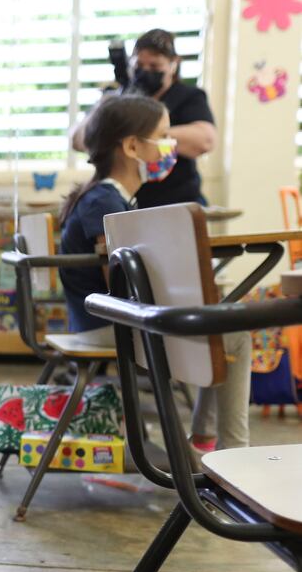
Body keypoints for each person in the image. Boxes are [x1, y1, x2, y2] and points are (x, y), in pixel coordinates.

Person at [59, 94, 249, 453]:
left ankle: (207, 442)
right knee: (234, 335)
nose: (171, 145)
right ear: (131, 146)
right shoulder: (104, 203)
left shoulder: (109, 198)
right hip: (106, 328)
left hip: (105, 324)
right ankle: (230, 451)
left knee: (223, 325)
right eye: (163, 136)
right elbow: (117, 285)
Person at [71, 28, 216, 208]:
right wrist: (109, 101)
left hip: (178, 203)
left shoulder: (188, 97)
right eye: (139, 66)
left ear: (174, 64)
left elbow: (205, 141)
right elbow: (79, 139)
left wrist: (140, 134)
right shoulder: (120, 97)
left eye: (154, 66)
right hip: (126, 202)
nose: (146, 71)